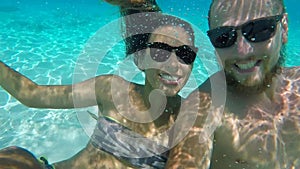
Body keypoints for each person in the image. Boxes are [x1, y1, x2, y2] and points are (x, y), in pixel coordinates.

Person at [0, 12, 214, 169]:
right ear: (140, 59)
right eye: (160, 53)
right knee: (13, 158)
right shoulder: (112, 89)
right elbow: (32, 95)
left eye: (186, 55)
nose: (174, 65)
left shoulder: (190, 120)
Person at [196, 0, 299, 168]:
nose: (242, 51)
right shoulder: (203, 106)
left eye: (259, 30)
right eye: (224, 37)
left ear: (285, 28)